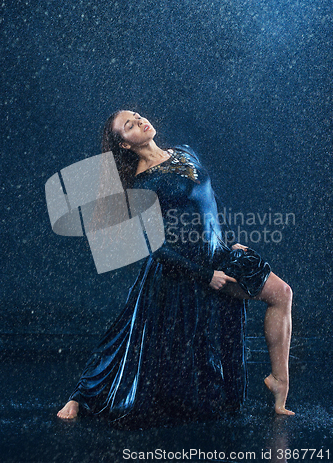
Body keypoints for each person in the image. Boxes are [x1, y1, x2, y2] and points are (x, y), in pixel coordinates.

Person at [57, 110, 294, 423]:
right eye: (130, 125)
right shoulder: (140, 184)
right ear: (125, 145)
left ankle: (279, 381)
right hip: (183, 267)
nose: (140, 121)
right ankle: (80, 397)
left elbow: (209, 197)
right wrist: (204, 275)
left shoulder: (183, 151)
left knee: (282, 293)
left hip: (219, 253)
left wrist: (232, 241)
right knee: (126, 339)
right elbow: (152, 247)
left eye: (137, 115)